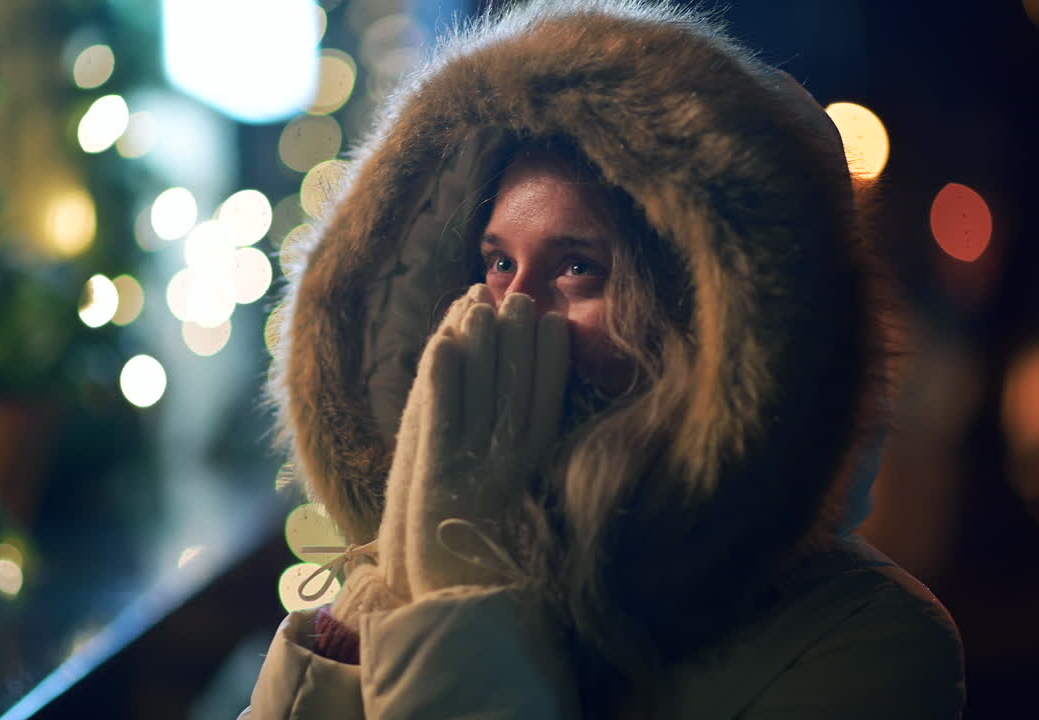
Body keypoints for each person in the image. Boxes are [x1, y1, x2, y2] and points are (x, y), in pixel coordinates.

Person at [246, 0, 965, 717]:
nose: (511, 307)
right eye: (498, 261)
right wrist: (395, 590)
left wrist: (458, 588)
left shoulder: (868, 640)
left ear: (706, 319)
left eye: (578, 267)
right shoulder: (412, 544)